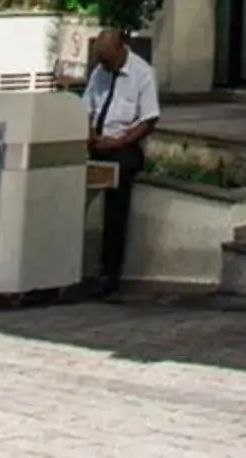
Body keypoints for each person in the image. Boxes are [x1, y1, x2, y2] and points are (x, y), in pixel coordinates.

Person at [82, 26, 160, 294]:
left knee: (117, 198)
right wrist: (89, 134)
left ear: (120, 50)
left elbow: (149, 120)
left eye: (106, 59)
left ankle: (109, 272)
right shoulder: (99, 72)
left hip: (123, 146)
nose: (103, 64)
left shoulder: (142, 73)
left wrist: (119, 141)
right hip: (97, 142)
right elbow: (86, 107)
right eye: (100, 59)